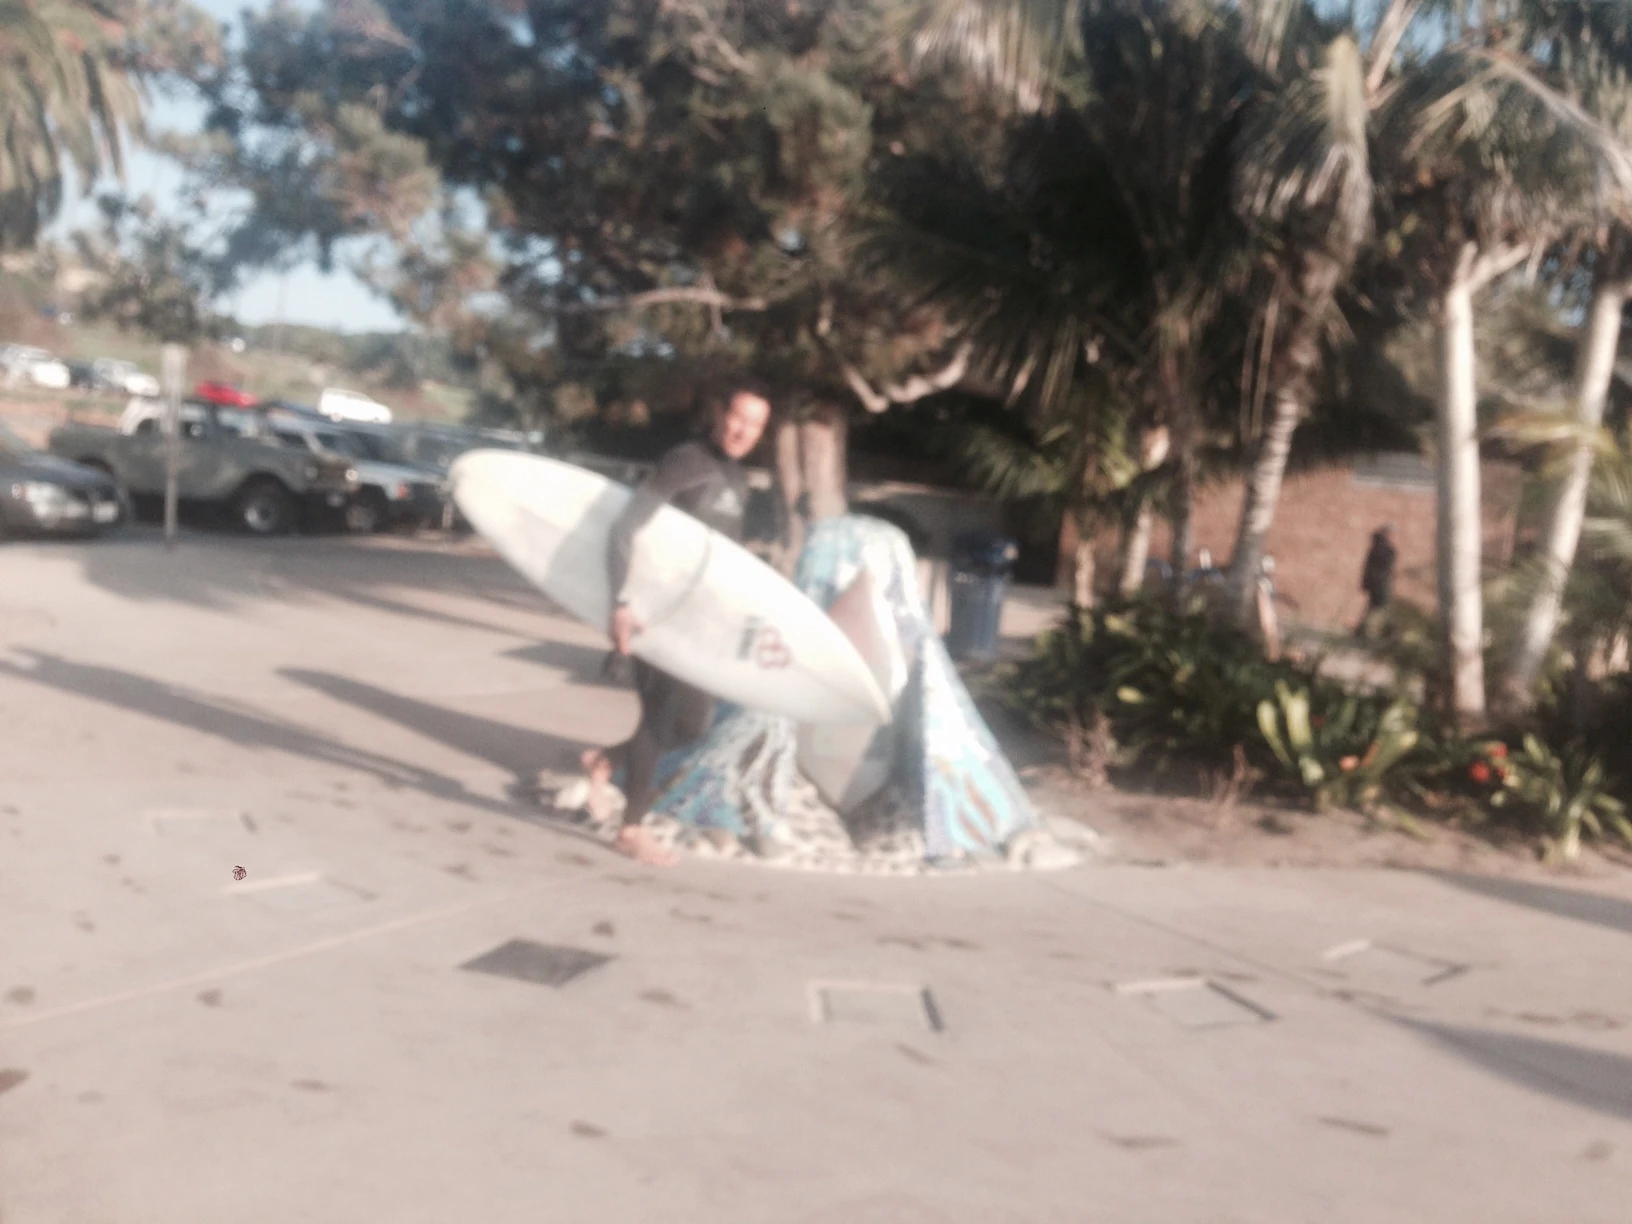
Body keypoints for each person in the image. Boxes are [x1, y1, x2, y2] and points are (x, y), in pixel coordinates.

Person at [580, 383, 774, 864]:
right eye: (737, 417)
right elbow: (626, 527)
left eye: (754, 424)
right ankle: (630, 830)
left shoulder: (739, 480)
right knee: (660, 716)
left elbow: (721, 555)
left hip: (699, 620)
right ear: (719, 414)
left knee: (691, 724)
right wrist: (621, 602)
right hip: (653, 613)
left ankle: (607, 762)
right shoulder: (686, 462)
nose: (742, 430)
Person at [1358, 525, 1397, 638]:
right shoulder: (1384, 549)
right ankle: (1369, 633)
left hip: (1375, 583)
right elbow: (1385, 567)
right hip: (1381, 583)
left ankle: (1362, 631)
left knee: (1372, 607)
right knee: (1379, 609)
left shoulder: (1376, 547)